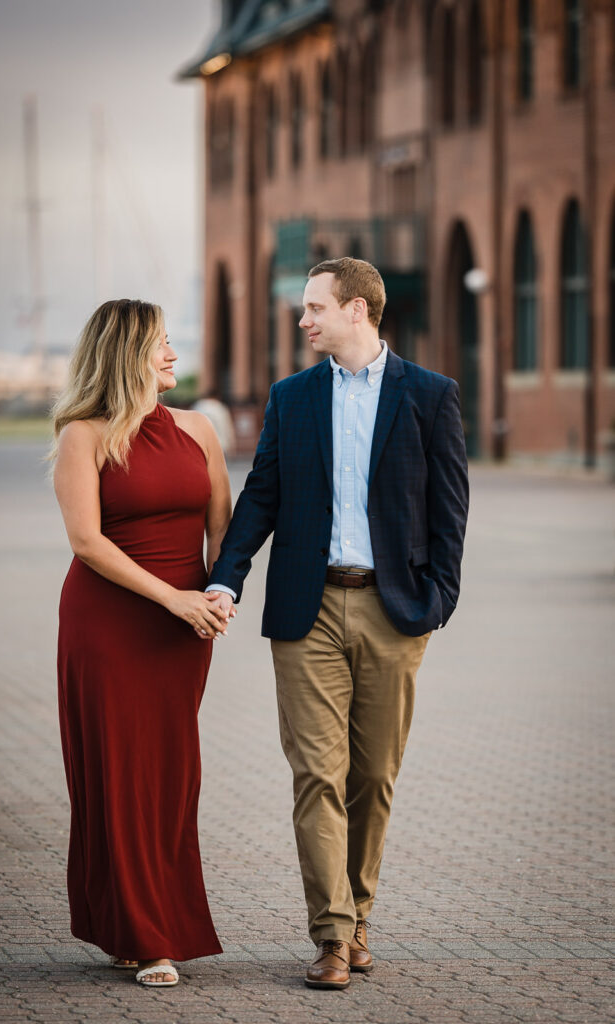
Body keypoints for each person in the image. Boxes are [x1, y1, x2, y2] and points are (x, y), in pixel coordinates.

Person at [207, 258, 469, 989]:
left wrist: (438, 600)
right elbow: (261, 496)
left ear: (357, 309)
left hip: (394, 611)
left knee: (373, 776)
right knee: (316, 774)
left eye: (314, 308)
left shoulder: (430, 395)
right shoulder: (290, 398)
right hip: (308, 608)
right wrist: (225, 577)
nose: (303, 320)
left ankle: (358, 915)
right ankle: (331, 933)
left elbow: (450, 509)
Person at [52, 299, 232, 988]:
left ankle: (143, 921)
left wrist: (218, 591)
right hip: (109, 624)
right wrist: (172, 598)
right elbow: (87, 542)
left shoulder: (197, 428)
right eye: (160, 343)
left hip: (182, 631)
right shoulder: (84, 434)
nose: (173, 354)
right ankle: (146, 936)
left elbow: (223, 522)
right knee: (119, 772)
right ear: (127, 353)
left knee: (171, 773)